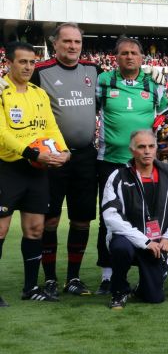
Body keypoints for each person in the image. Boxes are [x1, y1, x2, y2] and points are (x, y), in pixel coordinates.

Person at [95, 37, 168, 295]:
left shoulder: (153, 84)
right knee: (109, 218)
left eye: (134, 53)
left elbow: (164, 115)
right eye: (124, 53)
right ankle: (108, 275)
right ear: (116, 57)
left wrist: (161, 140)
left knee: (149, 215)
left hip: (143, 163)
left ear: (141, 58)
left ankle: (155, 263)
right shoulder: (103, 81)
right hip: (110, 160)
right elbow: (91, 110)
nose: (129, 57)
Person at [31, 23, 101, 297]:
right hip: (53, 158)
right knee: (49, 220)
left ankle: (73, 278)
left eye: (77, 42)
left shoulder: (93, 71)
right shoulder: (41, 72)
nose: (72, 46)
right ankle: (49, 279)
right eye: (67, 41)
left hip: (85, 156)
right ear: (55, 44)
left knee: (82, 220)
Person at [0, 41, 71, 305]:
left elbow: (51, 128)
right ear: (9, 63)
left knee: (35, 229)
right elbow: (2, 133)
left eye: (32, 62)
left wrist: (63, 151)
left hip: (37, 169)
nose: (28, 67)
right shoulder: (1, 91)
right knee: (1, 230)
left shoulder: (38, 93)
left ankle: (30, 288)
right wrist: (31, 153)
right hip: (7, 168)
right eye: (22, 61)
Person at [101, 130, 168, 309]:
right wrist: (144, 241)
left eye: (151, 146)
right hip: (129, 240)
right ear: (132, 151)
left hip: (157, 242)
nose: (147, 151)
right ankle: (119, 290)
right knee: (120, 247)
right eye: (141, 147)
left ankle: (141, 289)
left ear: (156, 149)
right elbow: (110, 216)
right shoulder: (118, 176)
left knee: (154, 297)